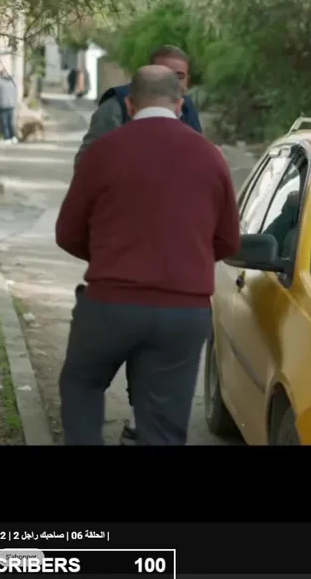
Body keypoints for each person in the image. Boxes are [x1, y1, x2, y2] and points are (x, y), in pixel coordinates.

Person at [55, 65, 241, 446]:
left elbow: (67, 233)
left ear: (130, 104)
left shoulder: (104, 152)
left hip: (110, 306)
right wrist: (186, 259)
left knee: (82, 384)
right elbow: (228, 241)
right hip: (183, 313)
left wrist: (108, 256)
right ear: (180, 104)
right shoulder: (210, 157)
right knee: (164, 425)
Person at [74, 45, 205, 443]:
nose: (171, 83)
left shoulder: (189, 112)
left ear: (187, 83)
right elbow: (87, 168)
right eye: (164, 74)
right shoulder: (115, 107)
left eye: (179, 77)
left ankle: (141, 419)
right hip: (125, 247)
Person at [0, 70, 20, 144]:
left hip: (2, 105)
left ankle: (7, 138)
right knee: (10, 122)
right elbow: (16, 94)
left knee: (4, 122)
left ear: (0, 75)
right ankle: (13, 137)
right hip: (11, 105)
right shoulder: (13, 82)